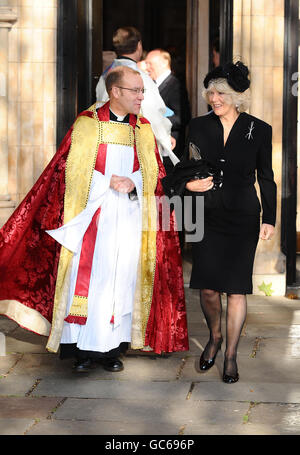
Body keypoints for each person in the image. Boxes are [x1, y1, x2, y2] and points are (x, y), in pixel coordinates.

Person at [0, 66, 189, 373]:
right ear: (115, 92)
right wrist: (106, 182)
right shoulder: (87, 124)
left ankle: (113, 350)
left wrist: (135, 182)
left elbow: (155, 174)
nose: (142, 97)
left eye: (143, 91)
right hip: (92, 219)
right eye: (136, 91)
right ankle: (82, 351)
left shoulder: (142, 128)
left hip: (128, 218)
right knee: (87, 282)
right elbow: (68, 174)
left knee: (122, 282)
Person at [184, 61, 276, 383]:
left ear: (237, 97)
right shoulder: (197, 125)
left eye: (220, 92)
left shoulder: (259, 129)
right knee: (208, 288)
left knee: (237, 289)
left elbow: (266, 177)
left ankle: (232, 355)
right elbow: (187, 169)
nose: (214, 98)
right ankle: (215, 335)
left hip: (243, 217)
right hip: (205, 214)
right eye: (210, 92)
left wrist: (271, 219)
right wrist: (187, 188)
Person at [96, 26, 178, 166]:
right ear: (139, 46)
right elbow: (153, 114)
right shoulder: (141, 78)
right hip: (134, 147)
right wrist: (165, 137)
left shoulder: (105, 76)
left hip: (108, 143)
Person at [146, 49, 191, 173]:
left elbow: (182, 118)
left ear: (164, 63)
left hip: (170, 149)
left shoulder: (175, 85)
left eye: (150, 63)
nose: (147, 67)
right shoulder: (151, 85)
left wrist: (154, 121)